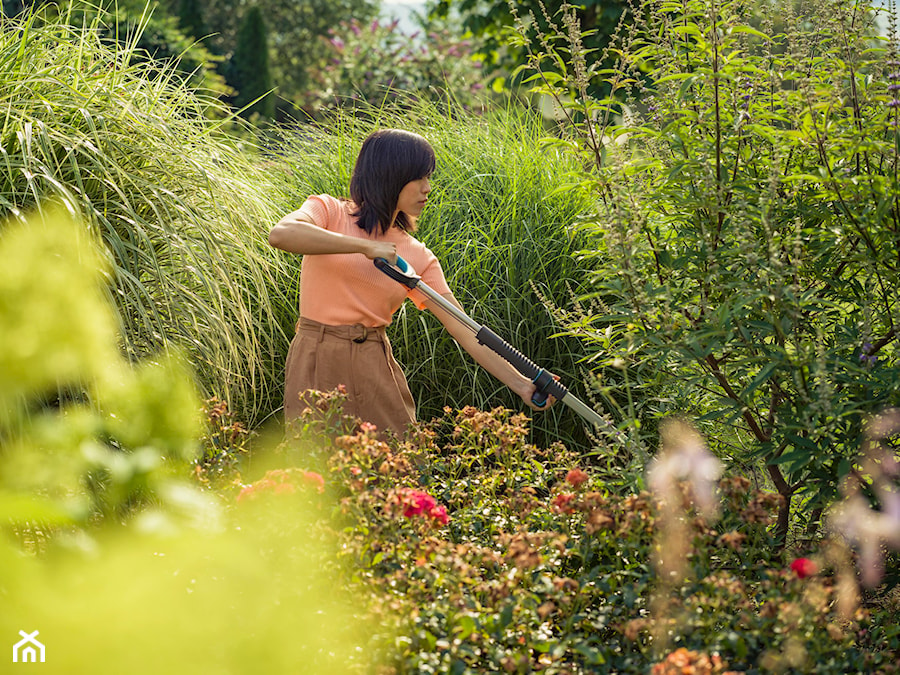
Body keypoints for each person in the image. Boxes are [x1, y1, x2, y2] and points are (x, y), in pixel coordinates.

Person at [269, 128, 550, 436]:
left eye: (428, 178)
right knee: (316, 468)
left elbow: (464, 329)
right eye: (419, 178)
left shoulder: (415, 256)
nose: (427, 189)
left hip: (373, 361)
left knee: (399, 466)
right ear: (390, 175)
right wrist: (365, 247)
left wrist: (523, 384)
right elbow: (281, 234)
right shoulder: (329, 211)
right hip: (316, 355)